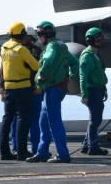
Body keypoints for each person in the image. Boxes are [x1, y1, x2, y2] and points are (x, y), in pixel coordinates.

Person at [26, 21, 79, 163]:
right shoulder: (61, 45)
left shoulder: (52, 47)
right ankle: (42, 152)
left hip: (52, 89)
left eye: (39, 34)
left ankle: (63, 154)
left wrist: (41, 75)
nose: (38, 37)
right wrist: (71, 77)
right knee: (43, 121)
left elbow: (48, 60)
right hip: (56, 88)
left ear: (45, 34)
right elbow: (74, 62)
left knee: (54, 122)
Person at [0, 22, 40, 160]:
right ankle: (22, 152)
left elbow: (3, 68)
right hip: (23, 87)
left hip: (9, 87)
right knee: (23, 118)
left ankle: (5, 152)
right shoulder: (21, 49)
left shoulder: (4, 48)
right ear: (22, 35)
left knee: (7, 119)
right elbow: (36, 66)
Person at [9, 26, 43, 155]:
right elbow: (4, 70)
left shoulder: (37, 50)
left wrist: (39, 87)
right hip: (20, 89)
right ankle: (17, 147)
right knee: (16, 119)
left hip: (32, 90)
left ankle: (35, 148)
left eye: (30, 38)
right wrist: (2, 87)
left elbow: (40, 70)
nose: (28, 40)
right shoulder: (14, 50)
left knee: (34, 120)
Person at [79, 27, 109, 155]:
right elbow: (83, 77)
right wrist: (84, 95)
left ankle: (87, 145)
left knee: (95, 119)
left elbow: (100, 73)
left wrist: (104, 89)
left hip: (99, 89)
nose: (100, 40)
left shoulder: (95, 55)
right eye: (97, 38)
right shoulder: (87, 56)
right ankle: (93, 148)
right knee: (95, 120)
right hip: (92, 91)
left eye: (101, 37)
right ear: (90, 40)